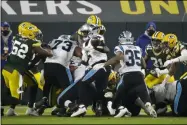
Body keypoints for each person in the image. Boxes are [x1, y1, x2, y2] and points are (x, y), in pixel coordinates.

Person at [1, 22, 53, 116]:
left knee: (33, 84)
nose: (37, 36)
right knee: (17, 96)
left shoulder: (16, 38)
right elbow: (44, 53)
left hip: (14, 67)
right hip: (22, 69)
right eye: (35, 34)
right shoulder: (34, 44)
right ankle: (6, 106)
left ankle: (28, 108)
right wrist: (49, 51)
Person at [104, 30, 157, 118]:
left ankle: (114, 108)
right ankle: (148, 105)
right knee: (144, 94)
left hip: (127, 75)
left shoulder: (120, 48)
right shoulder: (137, 48)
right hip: (139, 74)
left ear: (121, 39)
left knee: (119, 93)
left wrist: (105, 64)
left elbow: (119, 57)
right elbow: (143, 64)